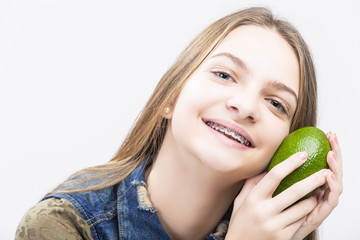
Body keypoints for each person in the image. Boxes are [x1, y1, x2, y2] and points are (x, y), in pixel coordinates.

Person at [16, 7, 342, 240]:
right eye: (224, 75)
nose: (244, 106)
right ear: (170, 96)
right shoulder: (62, 226)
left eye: (276, 103)